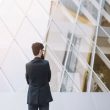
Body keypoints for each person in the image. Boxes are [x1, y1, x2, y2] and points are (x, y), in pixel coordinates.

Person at [25, 42, 53, 110]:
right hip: (44, 96)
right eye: (43, 50)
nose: (43, 52)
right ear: (40, 51)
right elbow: (49, 78)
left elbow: (28, 81)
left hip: (32, 96)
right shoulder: (46, 63)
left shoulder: (28, 65)